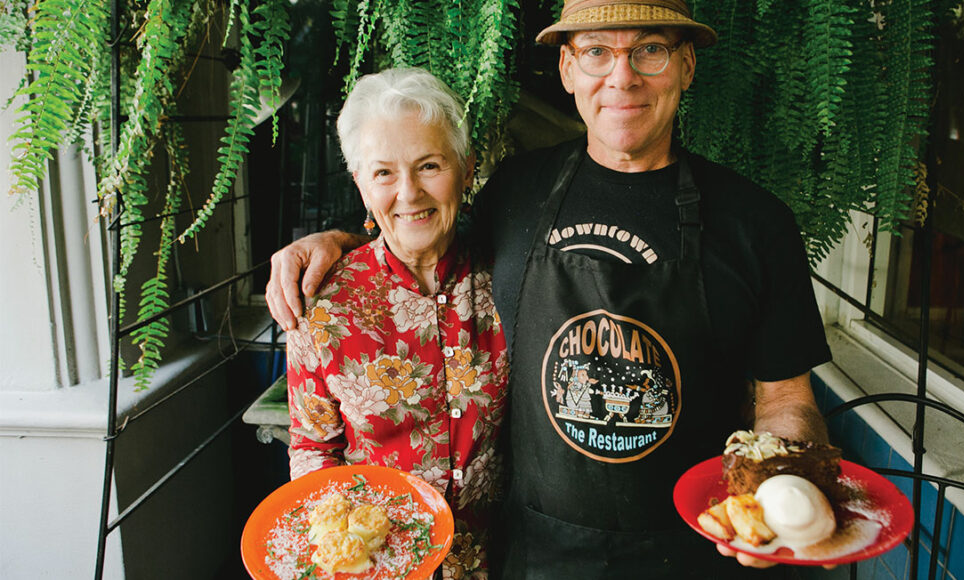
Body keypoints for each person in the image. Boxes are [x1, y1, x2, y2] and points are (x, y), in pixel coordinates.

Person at [268, 1, 833, 576]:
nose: (622, 77)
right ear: (566, 69)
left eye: (650, 50)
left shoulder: (757, 224)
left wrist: (780, 499)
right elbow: (419, 227)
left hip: (695, 552)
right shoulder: (516, 191)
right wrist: (335, 244)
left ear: (687, 65)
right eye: (596, 52)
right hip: (535, 556)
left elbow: (786, 400)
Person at [283, 67, 508, 579]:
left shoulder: (513, 276)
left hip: (504, 558)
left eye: (429, 165)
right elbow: (314, 449)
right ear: (361, 185)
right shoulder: (320, 304)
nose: (409, 193)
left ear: (467, 168)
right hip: (379, 566)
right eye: (383, 172)